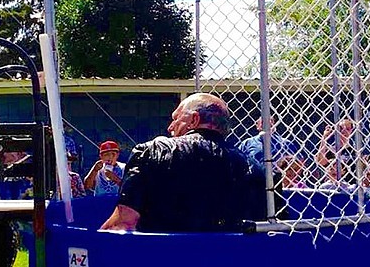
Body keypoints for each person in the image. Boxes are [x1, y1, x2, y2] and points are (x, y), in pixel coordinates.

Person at [100, 93, 269, 232]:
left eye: (176, 118)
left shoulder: (153, 152)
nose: (170, 127)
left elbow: (122, 225)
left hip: (162, 258)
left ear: (194, 120)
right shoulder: (255, 169)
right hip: (231, 260)